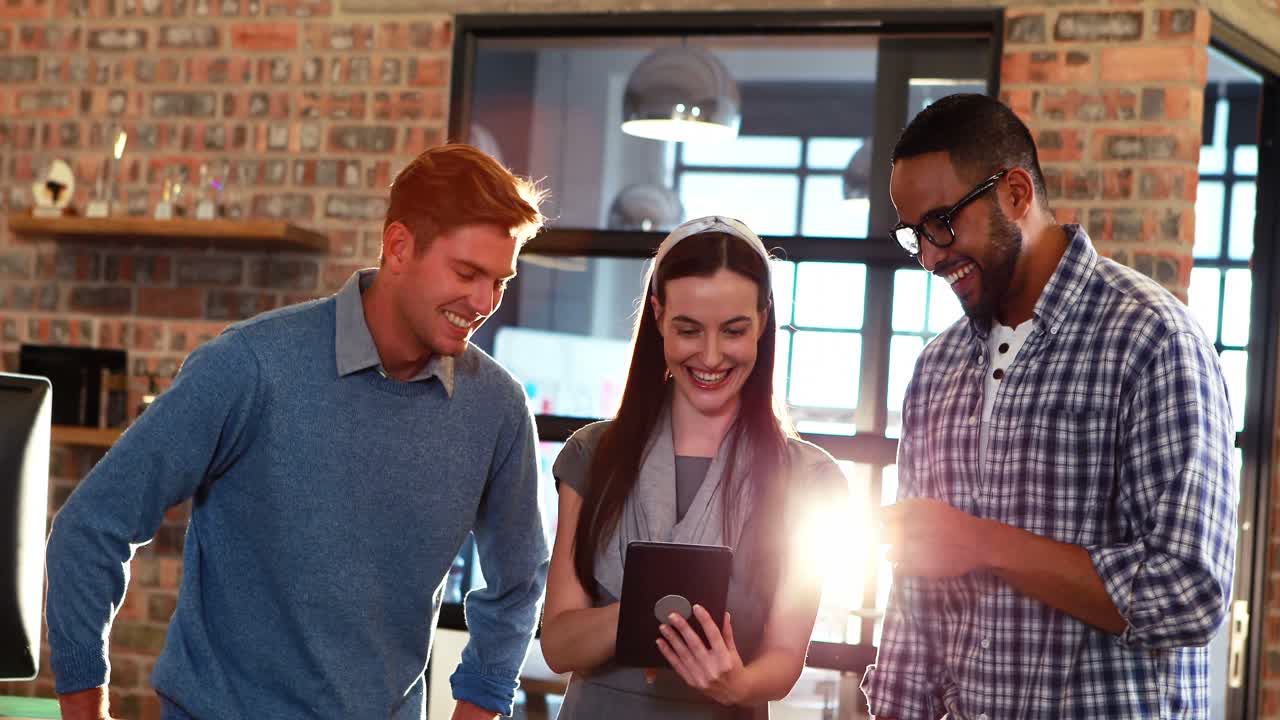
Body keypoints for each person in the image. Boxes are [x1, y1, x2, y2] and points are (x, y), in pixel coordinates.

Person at [45, 144, 552, 720]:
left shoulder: (497, 409)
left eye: (500, 282)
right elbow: (90, 527)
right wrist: (85, 711)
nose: (484, 302)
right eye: (467, 273)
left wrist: (478, 708)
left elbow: (519, 581)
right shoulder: (250, 366)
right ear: (399, 247)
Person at [861, 93, 1237, 719]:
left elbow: (1189, 593)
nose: (928, 255)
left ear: (1014, 193)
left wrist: (981, 543)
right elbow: (915, 605)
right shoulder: (938, 369)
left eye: (941, 223)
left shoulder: (1152, 340)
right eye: (913, 235)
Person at [540, 215, 848, 720]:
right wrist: (645, 616)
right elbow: (558, 642)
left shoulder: (809, 482)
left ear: (763, 321)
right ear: (658, 317)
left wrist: (737, 683)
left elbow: (786, 657)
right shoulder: (592, 456)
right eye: (688, 330)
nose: (710, 356)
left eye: (733, 331)